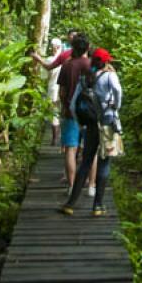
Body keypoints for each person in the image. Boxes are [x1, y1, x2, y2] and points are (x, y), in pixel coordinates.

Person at [59, 47, 122, 217]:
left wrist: (81, 123)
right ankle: (98, 206)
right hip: (107, 123)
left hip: (91, 125)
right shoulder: (110, 76)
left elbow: (73, 105)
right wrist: (115, 108)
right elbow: (118, 92)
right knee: (104, 162)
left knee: (86, 161)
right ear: (106, 61)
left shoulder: (85, 78)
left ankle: (71, 204)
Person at [57, 33, 91, 195]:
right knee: (90, 150)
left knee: (70, 149)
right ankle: (91, 185)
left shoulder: (67, 65)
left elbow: (62, 92)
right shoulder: (92, 65)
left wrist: (64, 106)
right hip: (89, 114)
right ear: (88, 47)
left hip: (70, 113)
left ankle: (71, 186)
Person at [43, 37, 63, 145]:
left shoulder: (50, 60)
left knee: (54, 114)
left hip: (53, 89)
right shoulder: (66, 59)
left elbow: (44, 76)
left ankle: (55, 139)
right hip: (64, 89)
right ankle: (61, 139)